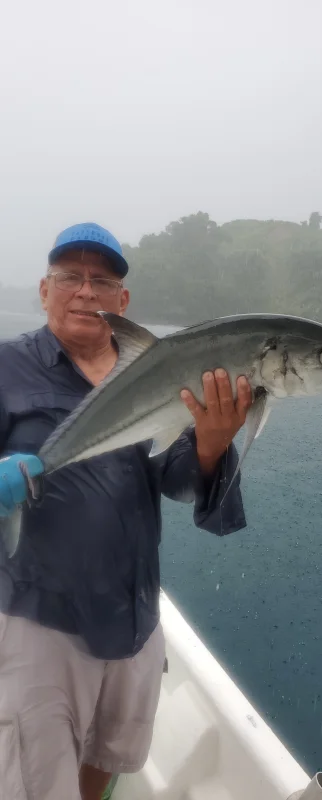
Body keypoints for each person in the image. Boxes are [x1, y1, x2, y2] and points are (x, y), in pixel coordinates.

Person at [0, 222, 251, 800]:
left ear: (123, 300)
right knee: (39, 781)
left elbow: (178, 476)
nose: (86, 291)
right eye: (70, 278)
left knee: (110, 760)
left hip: (136, 618)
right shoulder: (9, 367)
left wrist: (211, 441)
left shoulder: (161, 370)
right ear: (44, 291)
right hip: (43, 621)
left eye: (102, 280)